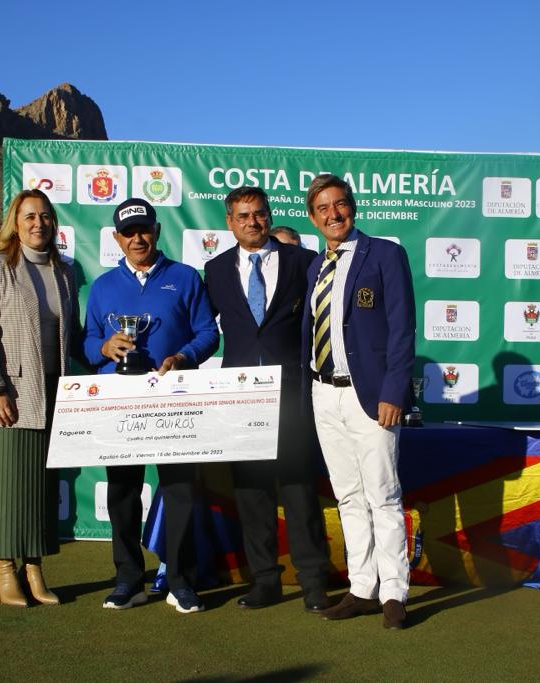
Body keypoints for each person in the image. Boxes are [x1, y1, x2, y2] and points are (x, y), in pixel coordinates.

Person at [83, 197, 219, 614]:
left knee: (179, 489)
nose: (137, 238)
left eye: (144, 230)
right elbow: (87, 343)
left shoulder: (184, 277)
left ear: (157, 232)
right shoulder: (103, 286)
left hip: (174, 398)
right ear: (117, 239)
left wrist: (183, 357)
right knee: (122, 491)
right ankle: (128, 579)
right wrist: (105, 345)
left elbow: (207, 333)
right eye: (129, 232)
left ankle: (179, 579)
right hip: (120, 404)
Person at [203, 187, 330, 613]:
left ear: (269, 215)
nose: (252, 222)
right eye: (242, 216)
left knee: (298, 491)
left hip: (292, 393)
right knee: (252, 494)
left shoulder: (303, 261)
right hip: (239, 399)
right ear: (230, 222)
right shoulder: (215, 269)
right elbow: (205, 330)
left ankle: (314, 583)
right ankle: (265, 582)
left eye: (258, 214)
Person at [300, 174, 415, 630]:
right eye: (323, 208)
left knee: (383, 496)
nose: (333, 214)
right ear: (313, 218)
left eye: (340, 204)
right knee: (348, 496)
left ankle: (394, 593)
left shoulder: (385, 254)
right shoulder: (315, 267)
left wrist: (394, 391)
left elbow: (402, 329)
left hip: (371, 397)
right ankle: (362, 587)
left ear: (353, 206)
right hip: (324, 394)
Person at [0, 189, 80, 607]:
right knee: (5, 486)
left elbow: (69, 336)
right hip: (9, 394)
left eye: (46, 216)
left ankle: (34, 568)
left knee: (41, 487)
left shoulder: (65, 272)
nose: (39, 224)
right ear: (15, 221)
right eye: (30, 216)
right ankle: (3, 570)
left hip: (53, 392)